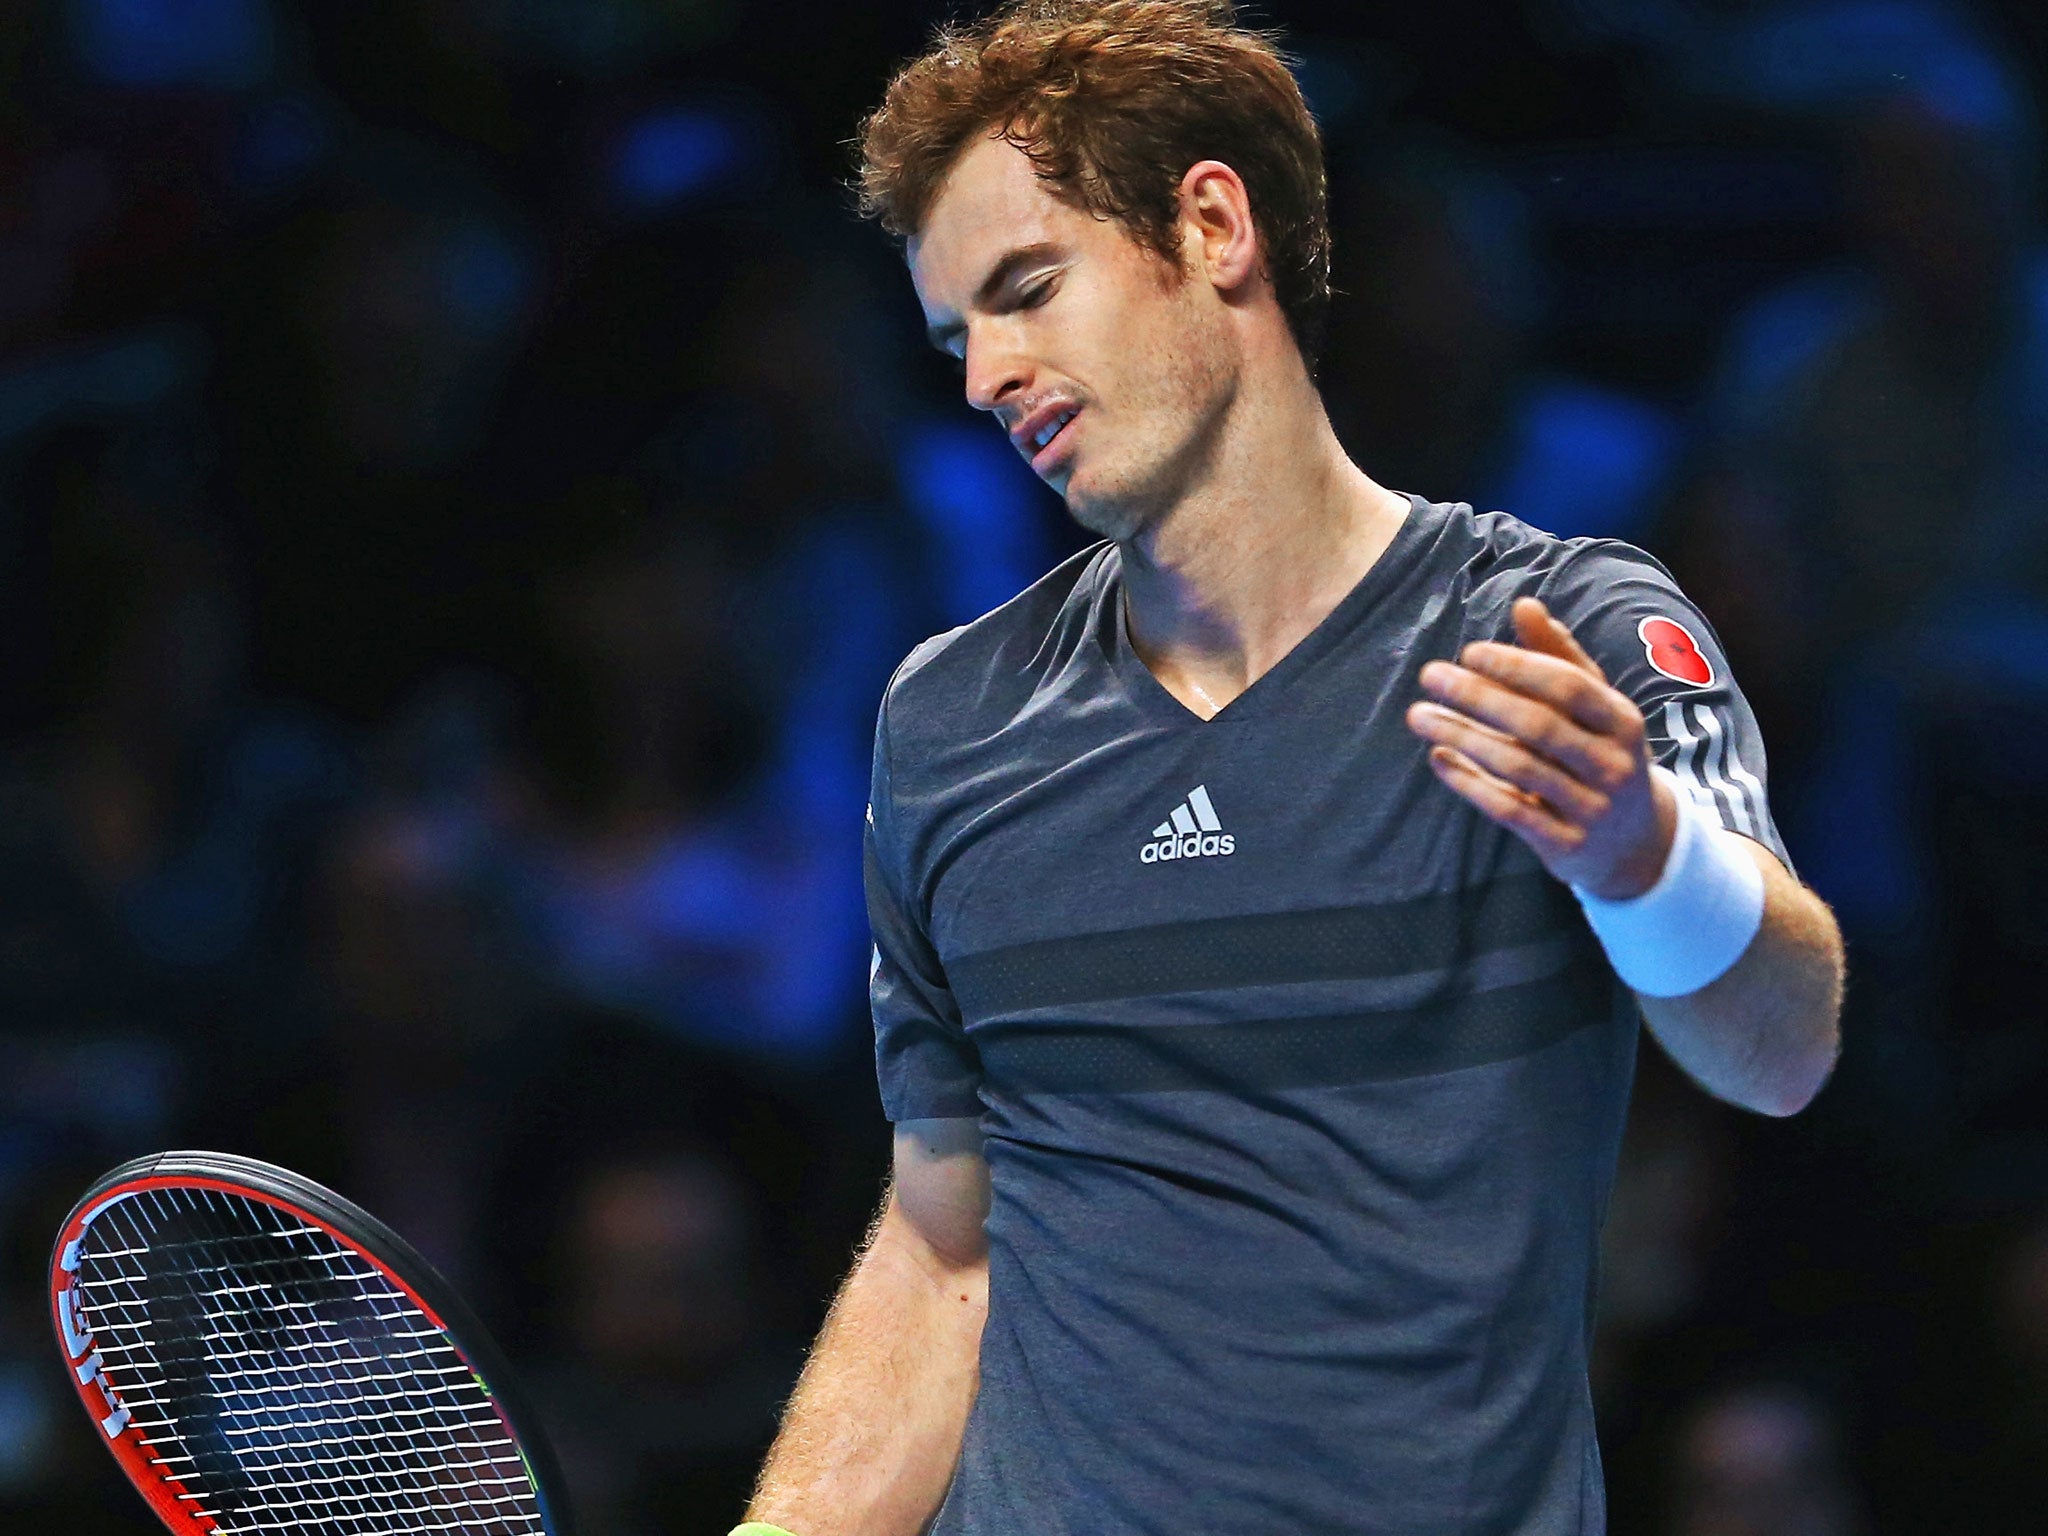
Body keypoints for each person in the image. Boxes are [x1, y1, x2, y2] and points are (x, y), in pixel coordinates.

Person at [735, 3, 1844, 1533]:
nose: (988, 373)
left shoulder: (1567, 626)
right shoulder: (949, 722)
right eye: (955, 336)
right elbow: (947, 1245)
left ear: (1210, 227)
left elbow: (1782, 1043)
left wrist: (1639, 853)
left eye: (1029, 290)